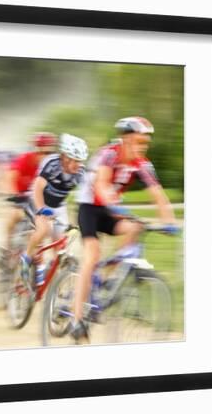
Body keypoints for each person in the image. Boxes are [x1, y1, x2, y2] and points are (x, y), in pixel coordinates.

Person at [69, 116, 178, 343]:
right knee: (92, 255)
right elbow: (101, 185)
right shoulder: (109, 154)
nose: (143, 146)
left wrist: (170, 221)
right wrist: (116, 206)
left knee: (135, 228)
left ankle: (109, 279)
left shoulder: (143, 164)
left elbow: (158, 193)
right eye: (139, 141)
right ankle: (76, 320)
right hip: (90, 207)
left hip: (110, 209)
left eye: (146, 142)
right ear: (126, 139)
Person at [20, 133, 89, 286]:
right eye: (74, 160)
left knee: (60, 244)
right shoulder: (51, 163)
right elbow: (37, 189)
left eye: (80, 161)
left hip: (59, 206)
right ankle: (26, 257)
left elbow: (85, 199)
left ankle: (51, 276)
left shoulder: (81, 173)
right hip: (39, 200)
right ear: (64, 156)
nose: (77, 165)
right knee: (43, 229)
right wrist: (41, 209)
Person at [3, 132, 58, 252]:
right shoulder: (24, 159)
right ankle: (7, 245)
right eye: (42, 152)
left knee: (45, 226)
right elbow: (10, 177)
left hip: (36, 198)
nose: (46, 156)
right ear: (35, 150)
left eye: (50, 153)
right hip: (20, 195)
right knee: (15, 215)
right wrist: (13, 194)